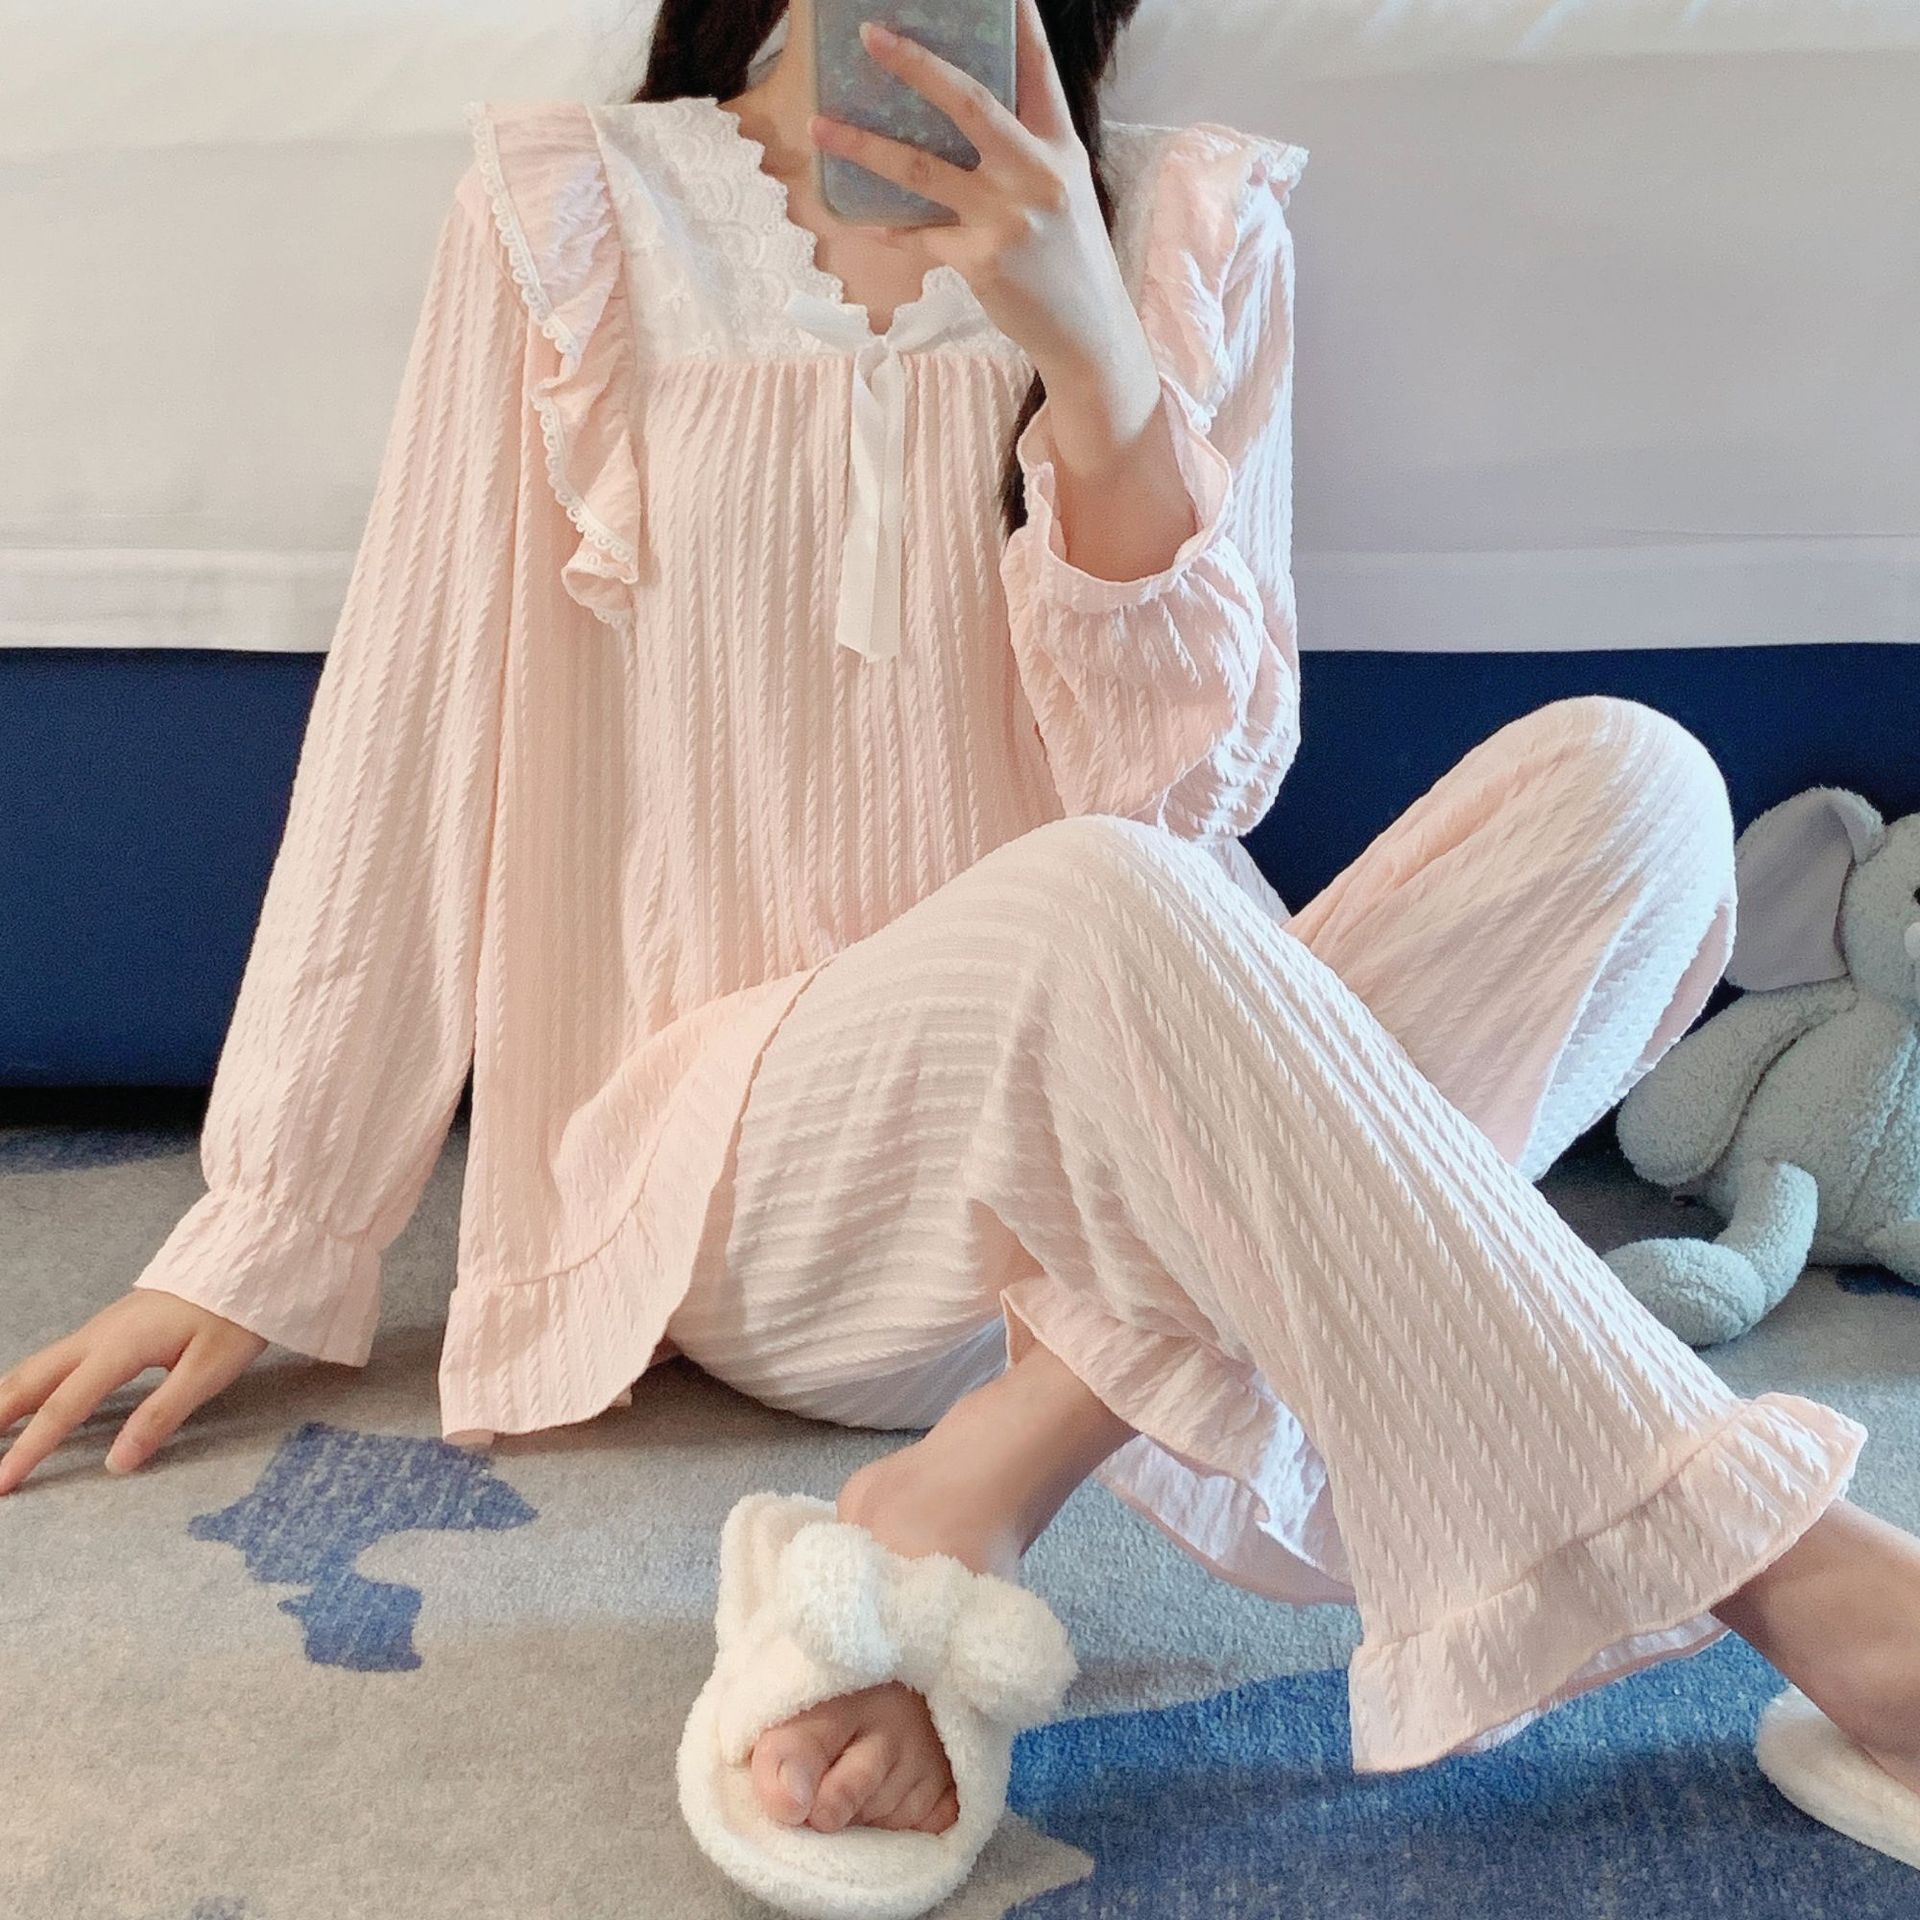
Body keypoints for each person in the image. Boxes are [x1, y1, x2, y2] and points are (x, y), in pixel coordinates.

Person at [4, 0, 1917, 1869]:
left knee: (1640, 793)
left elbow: (1191, 788)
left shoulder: (1188, 227)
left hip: (1143, 1145)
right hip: (773, 1182)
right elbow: (415, 720)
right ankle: (1798, 1576)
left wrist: (1094, 355)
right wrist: (268, 1220)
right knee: (1104, 895)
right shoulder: (570, 214)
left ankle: (982, 1482)